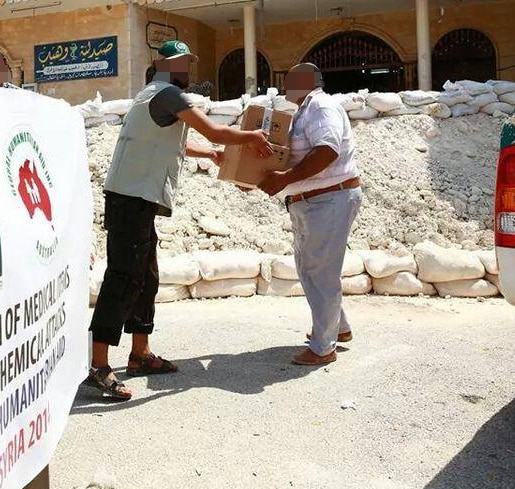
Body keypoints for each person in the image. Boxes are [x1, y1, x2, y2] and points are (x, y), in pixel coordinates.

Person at [85, 40, 273, 400]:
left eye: (189, 61)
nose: (188, 68)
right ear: (165, 65)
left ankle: (140, 353)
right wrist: (249, 137)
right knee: (123, 277)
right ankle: (98, 368)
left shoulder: (150, 95)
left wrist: (214, 156)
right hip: (131, 199)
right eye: (183, 62)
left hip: (136, 197)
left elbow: (175, 142)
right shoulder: (169, 94)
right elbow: (215, 130)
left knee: (147, 275)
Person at [258, 62, 362, 366]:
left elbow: (327, 151)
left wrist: (284, 179)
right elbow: (291, 157)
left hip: (329, 199)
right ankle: (338, 329)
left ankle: (323, 348)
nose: (286, 85)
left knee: (321, 272)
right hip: (312, 201)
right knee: (311, 268)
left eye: (291, 80)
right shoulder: (304, 111)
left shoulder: (321, 107)